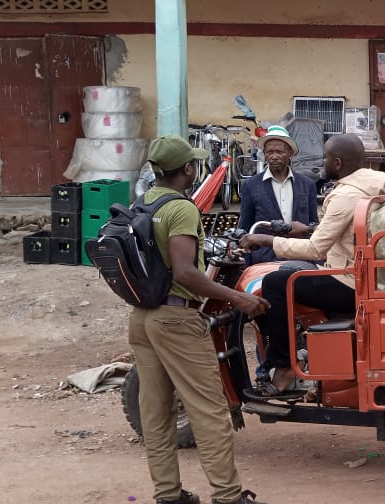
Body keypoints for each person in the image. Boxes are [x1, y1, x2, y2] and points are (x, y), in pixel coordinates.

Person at [130, 135, 269, 504]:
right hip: (177, 318)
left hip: (143, 318)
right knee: (209, 410)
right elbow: (186, 273)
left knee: (156, 415)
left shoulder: (143, 202)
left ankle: (168, 495)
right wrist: (239, 298)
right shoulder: (182, 209)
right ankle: (228, 496)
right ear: (188, 169)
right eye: (194, 163)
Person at [240, 134, 385, 395]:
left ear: (339, 163)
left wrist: (266, 240)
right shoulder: (370, 185)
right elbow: (341, 231)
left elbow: (315, 248)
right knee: (289, 272)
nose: (324, 162)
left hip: (348, 280)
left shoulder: (346, 195)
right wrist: (309, 228)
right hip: (357, 272)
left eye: (326, 158)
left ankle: (284, 365)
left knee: (274, 282)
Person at [238, 124, 319, 265]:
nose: (274, 156)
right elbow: (245, 227)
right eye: (269, 152)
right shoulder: (251, 185)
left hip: (300, 258)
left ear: (290, 153)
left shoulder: (307, 185)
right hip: (265, 260)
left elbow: (313, 225)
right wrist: (248, 262)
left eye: (279, 152)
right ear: (264, 153)